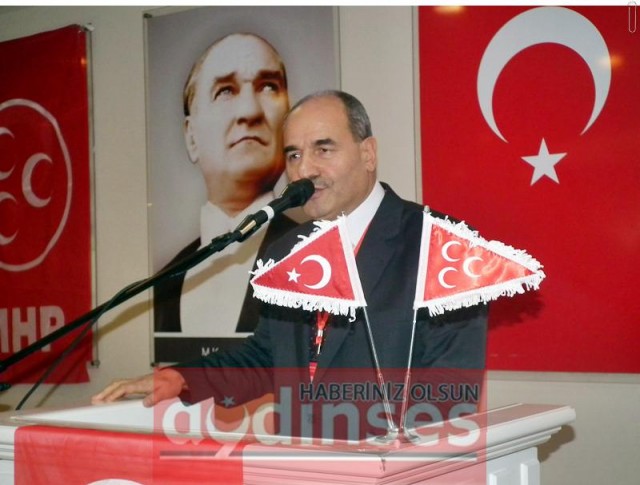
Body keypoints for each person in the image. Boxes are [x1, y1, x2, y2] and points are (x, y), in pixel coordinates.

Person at [95, 90, 488, 441]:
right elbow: (267, 357)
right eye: (294, 155)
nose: (304, 170)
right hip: (296, 465)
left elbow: (450, 386)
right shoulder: (285, 252)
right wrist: (181, 378)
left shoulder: (443, 245)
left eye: (323, 150)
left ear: (368, 153)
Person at [153, 32, 299, 340]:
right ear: (191, 137)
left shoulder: (318, 258)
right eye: (225, 91)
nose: (249, 112)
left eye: (268, 86)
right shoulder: (163, 281)